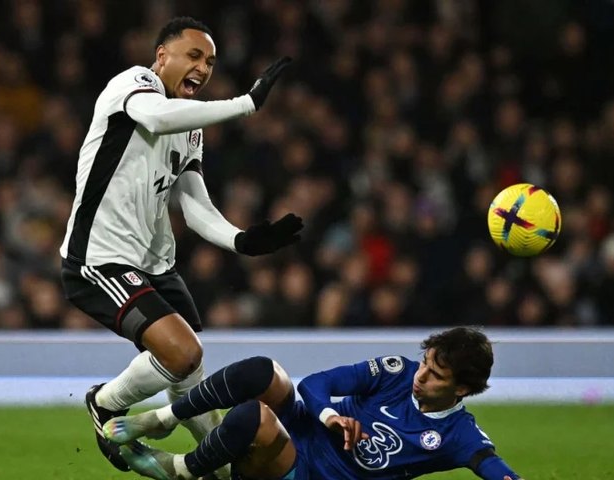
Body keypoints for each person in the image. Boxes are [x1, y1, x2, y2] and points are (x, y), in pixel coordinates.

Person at [59, 16, 300, 477]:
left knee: (189, 370)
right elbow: (154, 115)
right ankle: (104, 404)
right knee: (183, 354)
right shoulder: (133, 84)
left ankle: (216, 464)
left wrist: (242, 240)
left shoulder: (190, 129)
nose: (204, 67)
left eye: (210, 61)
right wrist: (246, 104)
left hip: (156, 264)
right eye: (194, 55)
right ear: (161, 56)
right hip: (100, 258)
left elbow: (192, 202)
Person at [103, 327, 524, 480]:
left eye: (435, 375)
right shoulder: (399, 371)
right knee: (263, 371)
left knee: (255, 417)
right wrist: (330, 415)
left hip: (310, 472)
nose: (421, 375)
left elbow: (491, 465)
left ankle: (181, 470)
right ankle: (163, 417)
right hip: (308, 426)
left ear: (462, 390)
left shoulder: (457, 434)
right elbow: (319, 383)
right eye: (425, 362)